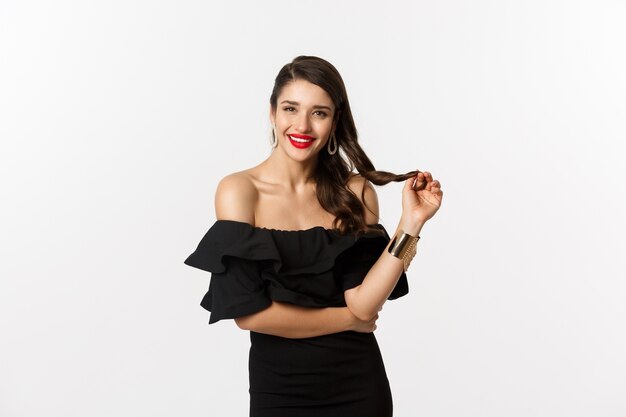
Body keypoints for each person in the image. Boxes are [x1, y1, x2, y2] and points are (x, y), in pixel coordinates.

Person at [184, 55, 443, 417]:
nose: (302, 125)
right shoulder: (240, 191)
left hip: (359, 388)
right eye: (291, 108)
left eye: (319, 112)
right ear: (272, 112)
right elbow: (250, 315)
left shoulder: (355, 191)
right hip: (280, 393)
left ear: (335, 121)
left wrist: (410, 225)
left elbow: (365, 305)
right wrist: (348, 321)